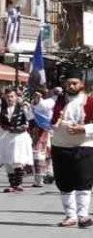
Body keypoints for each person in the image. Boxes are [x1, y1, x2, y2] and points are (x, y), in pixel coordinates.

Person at [48, 70, 91, 227]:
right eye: (68, 83)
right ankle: (70, 216)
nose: (71, 86)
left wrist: (84, 129)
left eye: (75, 83)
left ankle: (83, 216)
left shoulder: (90, 101)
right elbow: (41, 112)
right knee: (64, 182)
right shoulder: (57, 101)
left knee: (83, 181)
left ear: (81, 84)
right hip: (60, 145)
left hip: (84, 145)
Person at [0, 90, 34, 190]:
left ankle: (18, 184)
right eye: (8, 97)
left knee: (18, 159)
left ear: (16, 97)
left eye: (12, 96)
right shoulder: (2, 109)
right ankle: (12, 184)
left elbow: (30, 118)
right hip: (6, 137)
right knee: (8, 162)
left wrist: (28, 108)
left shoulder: (22, 108)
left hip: (19, 137)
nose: (10, 99)